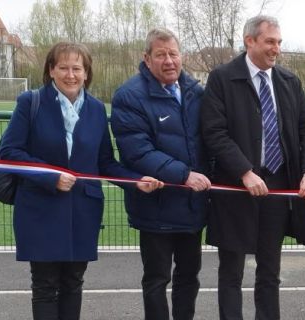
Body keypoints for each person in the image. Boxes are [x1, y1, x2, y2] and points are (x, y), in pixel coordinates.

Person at [0, 41, 162, 319]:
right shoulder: (30, 102)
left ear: (86, 73)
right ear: (50, 70)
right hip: (40, 209)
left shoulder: (97, 109)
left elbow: (105, 162)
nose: (70, 75)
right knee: (45, 285)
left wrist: (136, 180)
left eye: (77, 68)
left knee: (74, 283)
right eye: (63, 67)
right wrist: (51, 176)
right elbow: (10, 152)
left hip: (82, 211)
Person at [199, 15, 305, 320]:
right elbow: (214, 132)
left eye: (279, 42)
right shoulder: (222, 78)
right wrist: (244, 171)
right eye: (270, 41)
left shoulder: (289, 82)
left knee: (269, 272)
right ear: (249, 40)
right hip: (236, 191)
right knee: (231, 273)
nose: (276, 48)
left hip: (278, 189)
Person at [110, 28, 210, 320]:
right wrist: (184, 175)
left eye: (173, 54)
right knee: (157, 279)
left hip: (192, 208)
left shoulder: (195, 92)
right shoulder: (129, 96)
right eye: (161, 54)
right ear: (147, 58)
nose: (169, 61)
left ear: (182, 57)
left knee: (189, 277)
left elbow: (208, 141)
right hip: (155, 208)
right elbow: (137, 151)